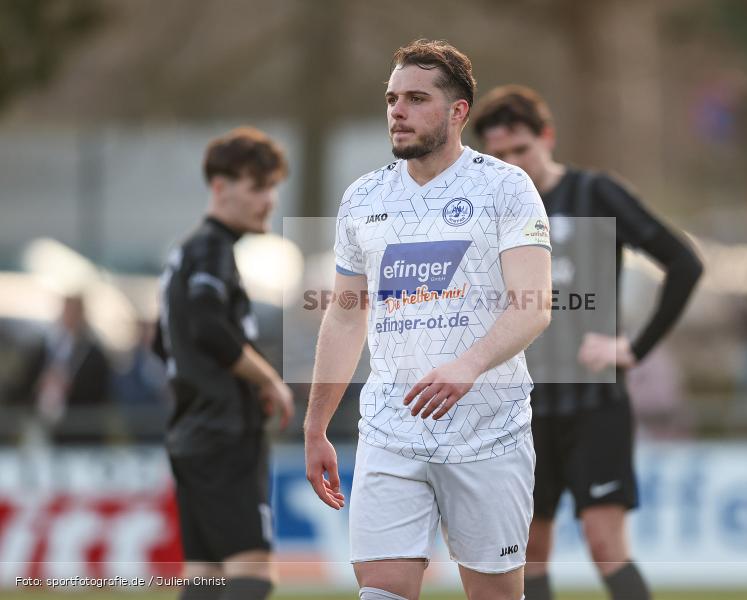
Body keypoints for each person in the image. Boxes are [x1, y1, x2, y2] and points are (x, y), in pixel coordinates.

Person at [303, 40, 552, 600]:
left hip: (489, 433)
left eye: (416, 99)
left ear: (458, 111)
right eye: (392, 99)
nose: (398, 111)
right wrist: (316, 426)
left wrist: (467, 365)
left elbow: (533, 305)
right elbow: (344, 319)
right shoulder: (363, 197)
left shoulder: (506, 187)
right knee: (381, 593)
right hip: (390, 430)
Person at [472, 85, 704, 600]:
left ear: (547, 137)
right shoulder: (487, 211)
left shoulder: (595, 194)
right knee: (527, 551)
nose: (514, 164)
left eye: (521, 149)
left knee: (605, 544)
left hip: (595, 403)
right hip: (519, 407)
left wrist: (635, 349)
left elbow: (684, 263)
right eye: (500, 155)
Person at [154, 127, 295, 600]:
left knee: (206, 578)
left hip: (191, 432)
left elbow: (161, 342)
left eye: (272, 188)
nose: (269, 200)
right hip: (224, 433)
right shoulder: (211, 246)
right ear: (220, 187)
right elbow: (208, 327)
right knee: (252, 573)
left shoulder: (186, 251)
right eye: (258, 187)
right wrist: (268, 379)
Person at [22, 294, 111, 444]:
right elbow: (26, 379)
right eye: (67, 311)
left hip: (78, 429)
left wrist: (70, 385)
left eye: (73, 312)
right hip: (45, 422)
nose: (69, 317)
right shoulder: (47, 345)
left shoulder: (92, 351)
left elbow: (100, 388)